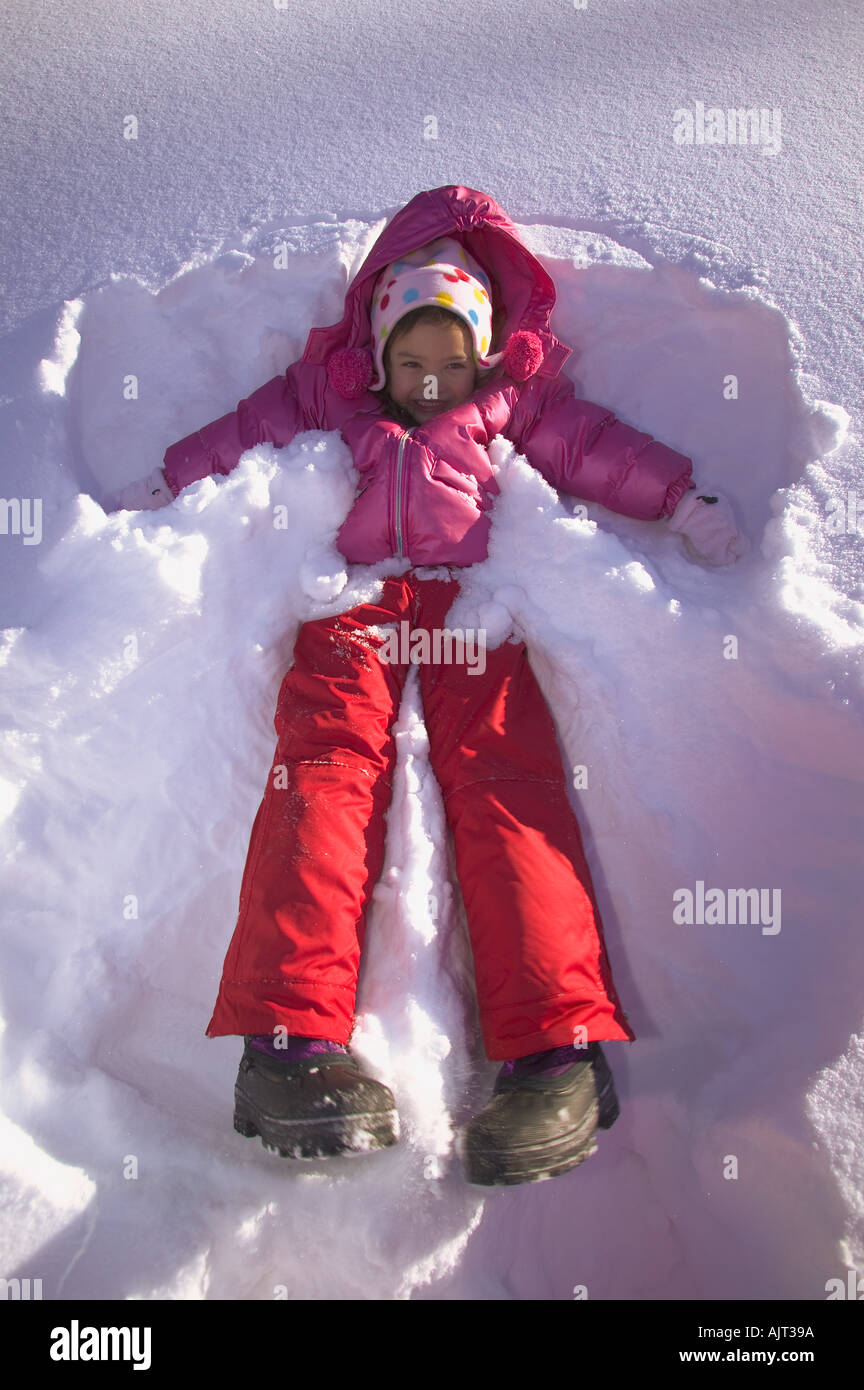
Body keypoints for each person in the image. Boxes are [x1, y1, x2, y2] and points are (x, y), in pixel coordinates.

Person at [106, 185, 746, 1186]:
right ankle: (287, 1045)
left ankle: (554, 1053)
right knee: (321, 775)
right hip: (353, 607)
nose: (434, 385)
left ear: (483, 355)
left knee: (508, 786)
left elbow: (594, 451)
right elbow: (241, 429)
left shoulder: (512, 401)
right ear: (380, 346)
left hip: (466, 613)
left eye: (452, 365)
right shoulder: (333, 390)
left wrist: (682, 497)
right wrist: (171, 479)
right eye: (414, 363)